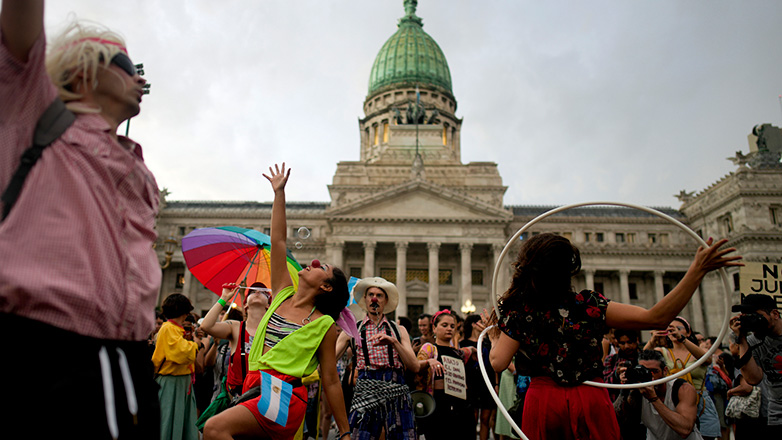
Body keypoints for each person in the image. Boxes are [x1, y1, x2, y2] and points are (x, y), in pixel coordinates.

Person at [0, 2, 160, 437]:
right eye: (126, 65)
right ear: (83, 70)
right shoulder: (31, 111)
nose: (139, 78)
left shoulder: (136, 167)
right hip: (47, 344)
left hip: (127, 357)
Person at [488, 233, 742, 439]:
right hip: (591, 399)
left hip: (544, 401)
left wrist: (495, 337)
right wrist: (696, 271)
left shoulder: (521, 310)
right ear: (569, 270)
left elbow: (498, 362)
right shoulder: (588, 304)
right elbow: (655, 318)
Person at [203, 163, 351, 440]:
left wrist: (344, 432)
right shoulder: (282, 291)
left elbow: (330, 379)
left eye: (323, 267)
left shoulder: (324, 326)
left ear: (325, 286)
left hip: (283, 394)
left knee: (213, 429)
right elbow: (279, 241)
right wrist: (279, 193)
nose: (315, 262)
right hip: (255, 386)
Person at [335, 276, 420, 440]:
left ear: (385, 301)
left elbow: (414, 366)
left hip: (396, 391)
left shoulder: (398, 330)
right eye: (371, 295)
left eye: (379, 295)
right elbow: (329, 360)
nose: (374, 299)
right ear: (365, 299)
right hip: (366, 391)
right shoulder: (352, 331)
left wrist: (394, 342)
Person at [652, 317, 721, 439]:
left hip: (700, 402)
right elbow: (643, 360)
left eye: (678, 328)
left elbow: (707, 359)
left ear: (688, 332)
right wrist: (653, 340)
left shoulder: (699, 351)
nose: (674, 332)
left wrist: (682, 339)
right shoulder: (662, 352)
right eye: (670, 329)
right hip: (674, 401)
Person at [201, 281, 270, 397]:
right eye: (252, 291)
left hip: (264, 398)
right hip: (238, 399)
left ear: (268, 305)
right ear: (246, 305)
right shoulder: (235, 327)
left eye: (263, 292)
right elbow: (206, 326)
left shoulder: (273, 332)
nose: (258, 292)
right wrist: (224, 298)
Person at [416, 310, 478, 440]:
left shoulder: (459, 353)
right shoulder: (430, 348)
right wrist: (428, 361)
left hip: (462, 407)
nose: (449, 329)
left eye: (452, 326)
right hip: (439, 406)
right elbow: (415, 366)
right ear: (434, 328)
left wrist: (474, 349)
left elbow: (470, 351)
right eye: (444, 325)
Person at [615, 349, 704, 439]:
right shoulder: (637, 392)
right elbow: (622, 423)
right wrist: (624, 389)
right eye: (644, 371)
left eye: (654, 371)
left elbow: (685, 430)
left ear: (665, 370)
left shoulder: (682, 389)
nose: (651, 376)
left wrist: (654, 399)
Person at [153, 294, 205, 440]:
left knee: (178, 423)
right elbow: (181, 353)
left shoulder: (174, 328)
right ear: (183, 311)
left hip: (181, 383)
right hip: (172, 382)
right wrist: (197, 344)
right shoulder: (168, 328)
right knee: (168, 423)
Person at [730, 293, 782, 435]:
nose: (753, 321)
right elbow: (753, 378)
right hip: (776, 414)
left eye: (755, 315)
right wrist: (741, 340)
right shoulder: (752, 341)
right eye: (747, 316)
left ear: (775, 314)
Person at [462, 313, 497, 440]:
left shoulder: (487, 343)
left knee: (485, 418)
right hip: (471, 382)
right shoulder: (463, 343)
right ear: (473, 324)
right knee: (473, 416)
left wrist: (496, 384)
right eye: (481, 322)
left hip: (487, 382)